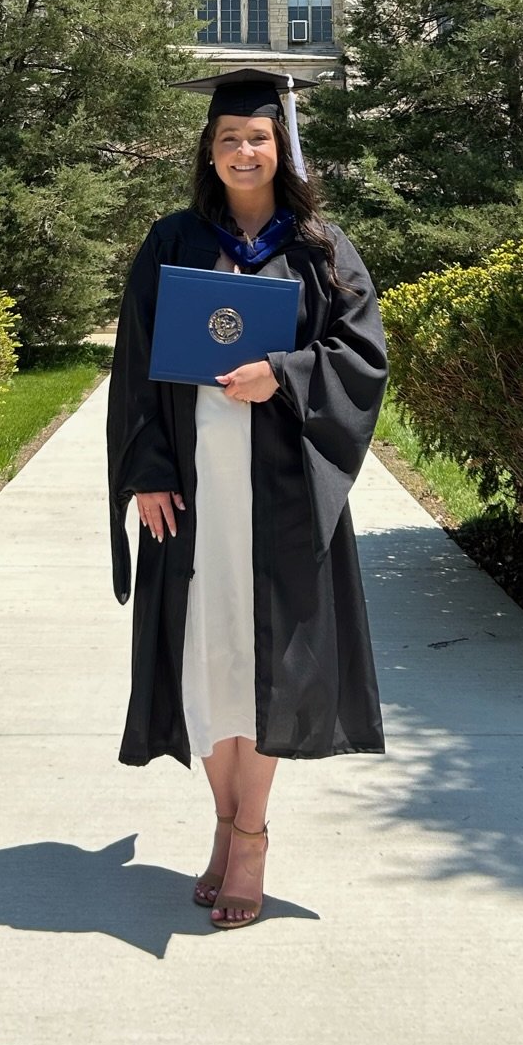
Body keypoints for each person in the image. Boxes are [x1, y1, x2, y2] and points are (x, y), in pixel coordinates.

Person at [106, 66, 387, 930]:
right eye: (228, 137)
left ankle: (253, 833)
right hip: (192, 491)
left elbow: (362, 357)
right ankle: (222, 824)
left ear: (282, 147)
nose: (242, 150)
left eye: (257, 137)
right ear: (210, 148)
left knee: (268, 662)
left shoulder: (321, 247)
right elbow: (136, 362)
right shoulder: (172, 242)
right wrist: (148, 469)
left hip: (281, 494)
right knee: (207, 658)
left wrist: (286, 373)